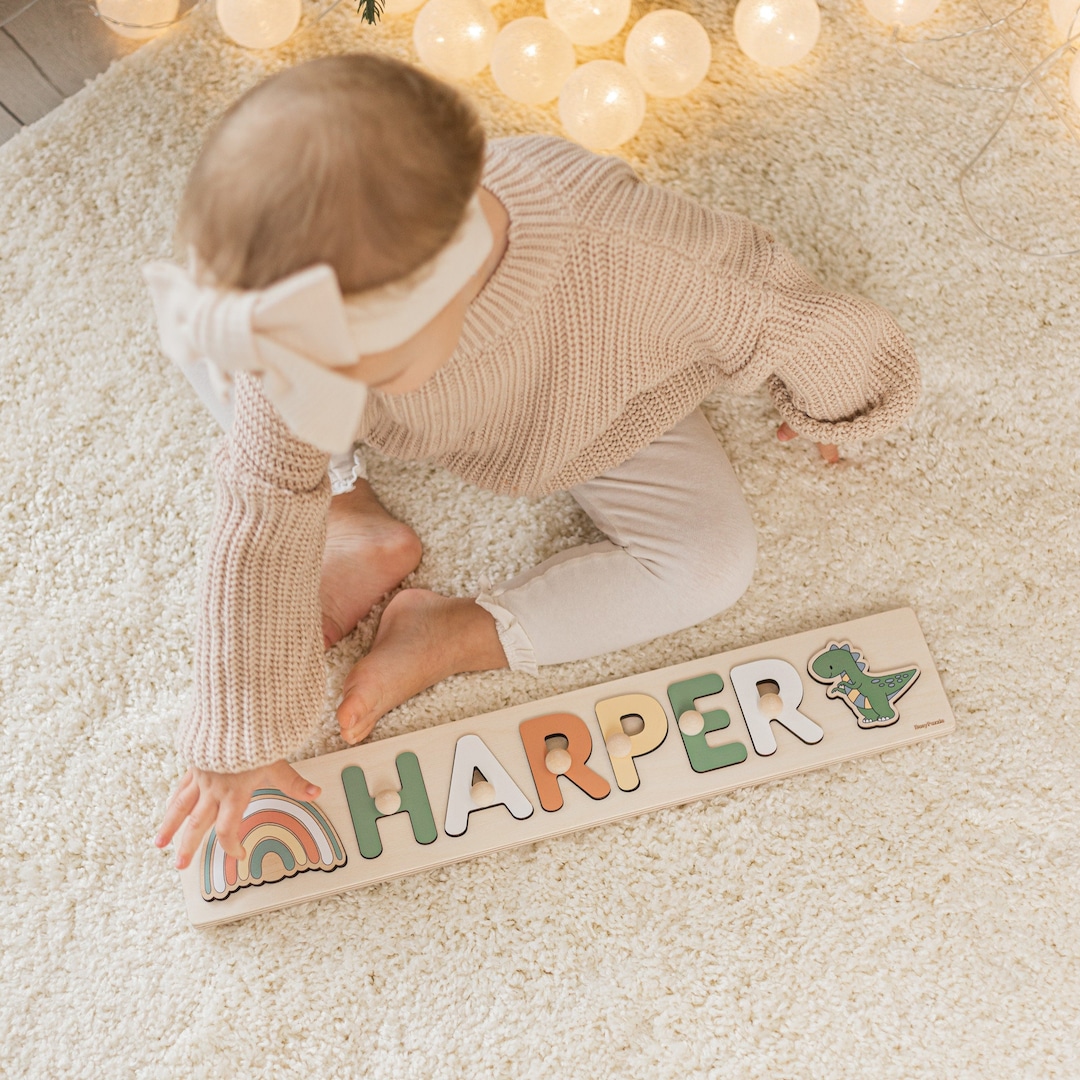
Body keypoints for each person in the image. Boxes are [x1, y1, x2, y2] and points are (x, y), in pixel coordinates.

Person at [148, 53, 920, 871]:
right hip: (385, 384)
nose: (325, 388)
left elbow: (780, 304)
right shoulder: (306, 343)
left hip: (596, 410)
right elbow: (258, 514)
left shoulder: (631, 254)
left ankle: (451, 632)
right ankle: (352, 509)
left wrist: (848, 398)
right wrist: (238, 736)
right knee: (235, 379)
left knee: (712, 564)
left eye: (359, 373)